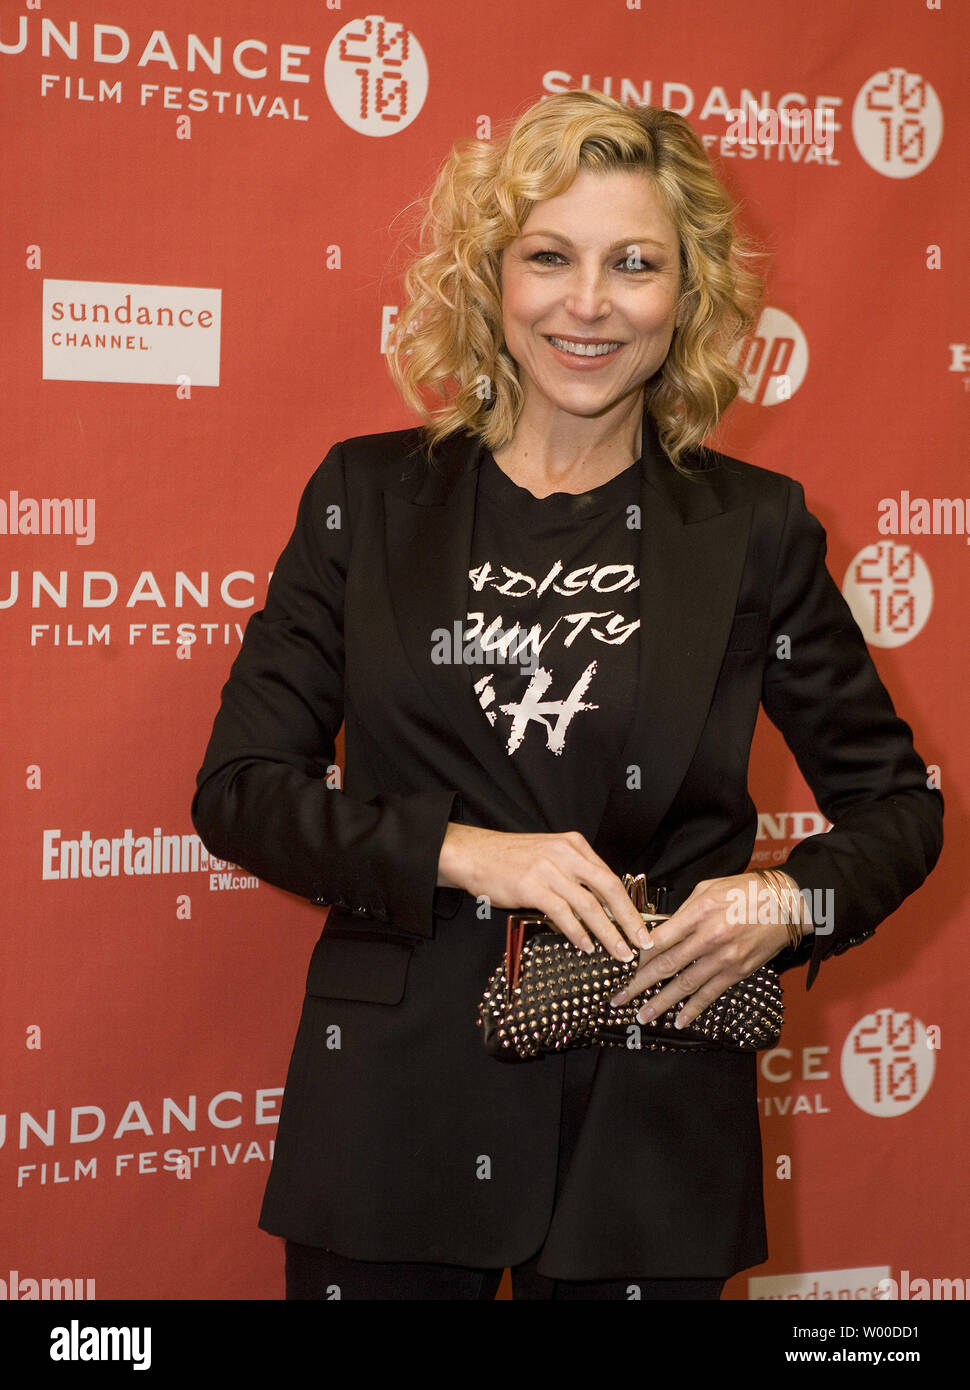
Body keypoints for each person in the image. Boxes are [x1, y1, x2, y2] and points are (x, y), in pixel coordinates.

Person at [191, 90, 943, 1300]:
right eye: (549, 257)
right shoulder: (368, 499)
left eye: (634, 263)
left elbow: (897, 804)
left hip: (650, 1121)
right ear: (491, 280)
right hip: (394, 1114)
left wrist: (788, 898)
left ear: (686, 296)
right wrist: (475, 855)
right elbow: (241, 791)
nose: (587, 303)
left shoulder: (753, 527)